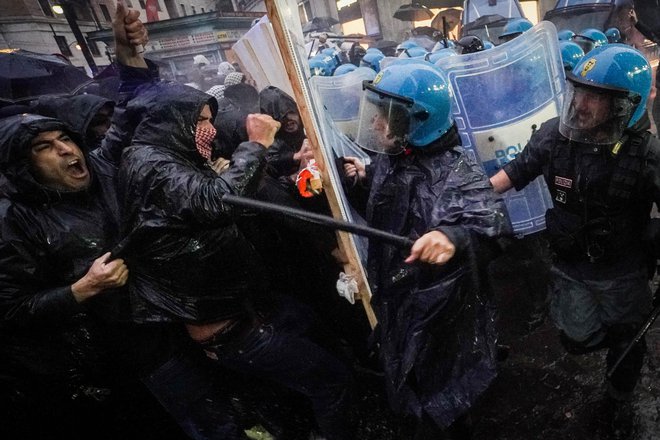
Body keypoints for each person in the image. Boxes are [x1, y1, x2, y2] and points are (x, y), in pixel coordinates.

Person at [117, 79, 355, 440]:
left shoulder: (165, 162)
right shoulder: (153, 165)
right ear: (171, 123)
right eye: (200, 121)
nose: (210, 130)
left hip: (250, 307)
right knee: (333, 381)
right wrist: (257, 144)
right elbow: (219, 202)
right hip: (232, 330)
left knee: (314, 332)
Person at [489, 44, 659, 438]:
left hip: (623, 271)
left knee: (627, 342)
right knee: (575, 337)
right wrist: (466, 200)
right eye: (578, 92)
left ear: (623, 106)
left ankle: (619, 396)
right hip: (570, 265)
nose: (580, 105)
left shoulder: (647, 153)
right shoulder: (554, 137)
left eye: (594, 98)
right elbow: (511, 175)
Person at [342, 61, 512, 439]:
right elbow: (383, 213)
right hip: (399, 296)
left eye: (386, 115)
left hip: (443, 313)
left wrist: (454, 238)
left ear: (418, 120)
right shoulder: (391, 160)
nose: (375, 124)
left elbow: (495, 229)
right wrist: (356, 181)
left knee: (445, 399)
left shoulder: (458, 170)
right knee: (408, 379)